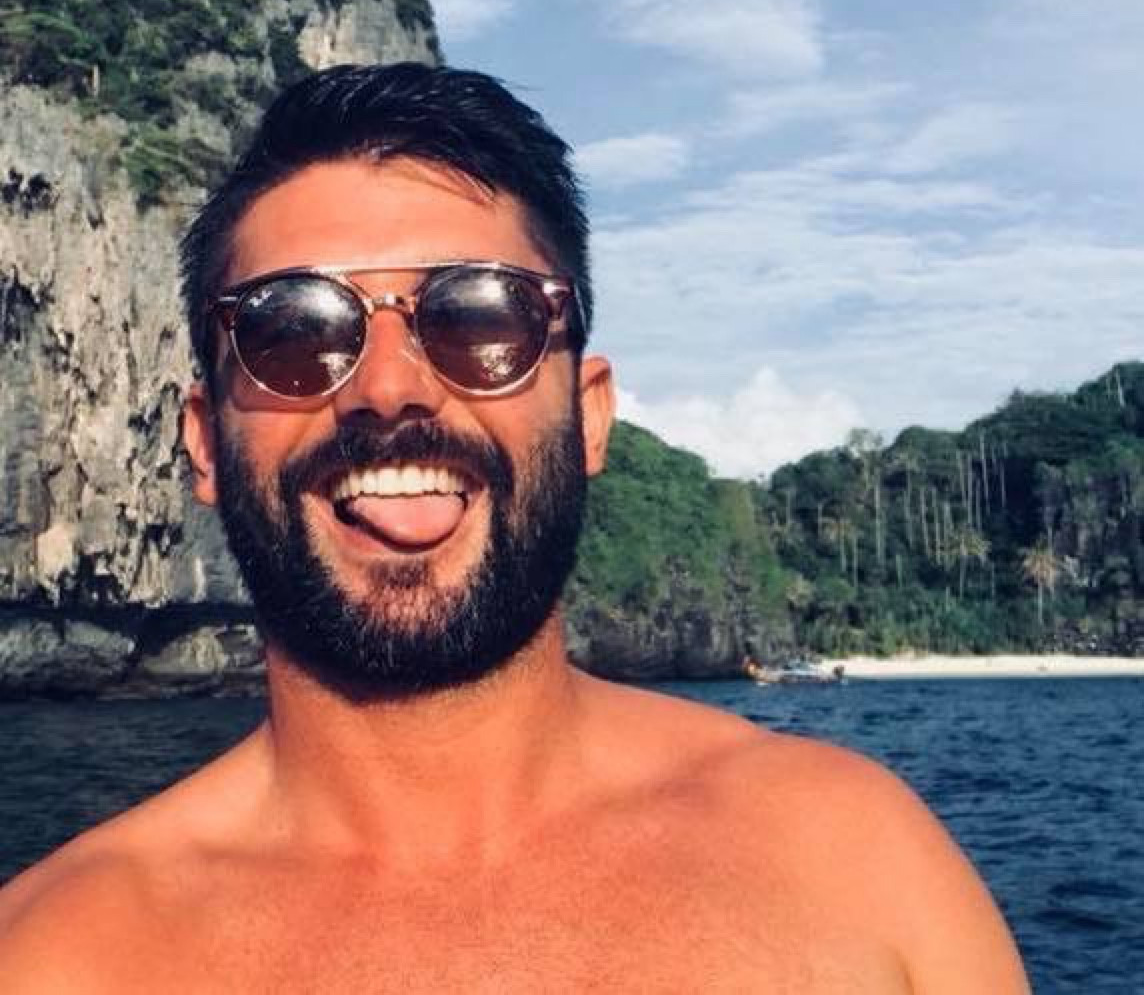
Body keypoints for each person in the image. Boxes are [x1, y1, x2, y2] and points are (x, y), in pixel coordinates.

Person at [0, 64, 1029, 992]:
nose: (389, 387)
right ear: (206, 443)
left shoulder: (855, 860)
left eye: (481, 318)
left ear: (588, 415)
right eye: (293, 330)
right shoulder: (54, 954)